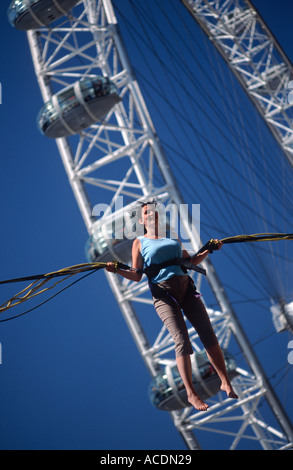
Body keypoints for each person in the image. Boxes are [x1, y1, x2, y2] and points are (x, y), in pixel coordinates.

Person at [106, 201, 238, 411]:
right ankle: (191, 393)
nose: (152, 215)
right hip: (164, 293)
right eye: (148, 213)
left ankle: (225, 381)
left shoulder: (171, 236)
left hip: (186, 287)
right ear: (141, 220)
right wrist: (116, 270)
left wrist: (210, 249)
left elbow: (191, 261)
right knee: (181, 340)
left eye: (155, 211)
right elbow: (136, 275)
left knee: (208, 334)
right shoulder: (139, 242)